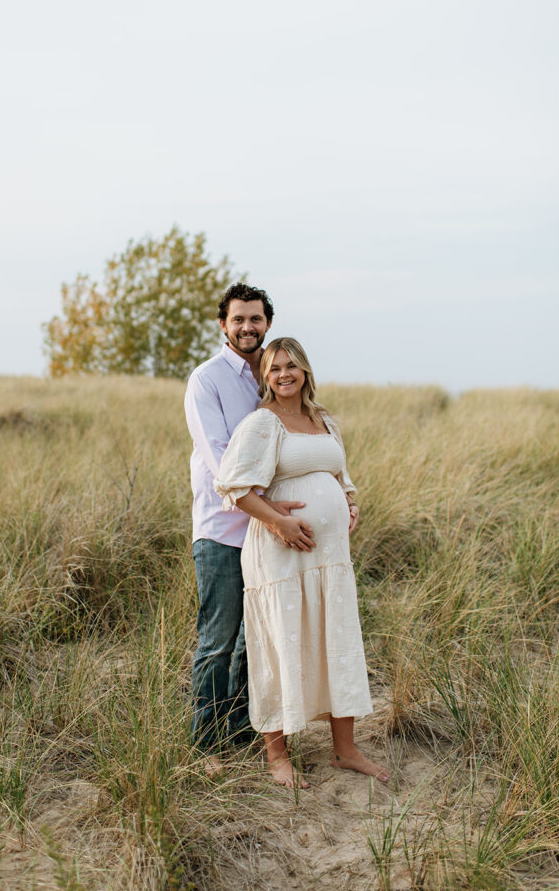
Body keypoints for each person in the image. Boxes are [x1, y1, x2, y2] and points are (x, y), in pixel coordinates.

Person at [214, 337, 388, 789]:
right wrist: (278, 524)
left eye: (291, 366)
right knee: (278, 642)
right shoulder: (261, 424)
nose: (284, 375)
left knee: (336, 637)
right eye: (274, 368)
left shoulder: (322, 419)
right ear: (265, 377)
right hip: (280, 555)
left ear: (305, 370)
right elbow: (233, 487)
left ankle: (345, 750)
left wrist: (349, 502)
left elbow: (338, 474)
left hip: (330, 559)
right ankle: (277, 757)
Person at [184, 286, 310, 768]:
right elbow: (222, 467)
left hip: (266, 533)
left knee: (251, 641)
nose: (247, 328)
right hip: (222, 530)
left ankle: (238, 728)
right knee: (218, 638)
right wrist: (276, 515)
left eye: (255, 320)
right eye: (238, 320)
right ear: (223, 325)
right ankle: (204, 742)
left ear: (267, 324)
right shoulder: (207, 380)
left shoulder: (274, 375)